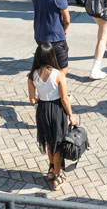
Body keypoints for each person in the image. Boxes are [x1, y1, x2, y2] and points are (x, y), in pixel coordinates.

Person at [28, 42, 78, 191]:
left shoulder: (32, 75)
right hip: (57, 110)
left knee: (49, 142)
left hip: (42, 110)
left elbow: (32, 99)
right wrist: (71, 115)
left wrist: (41, 104)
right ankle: (57, 176)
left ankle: (51, 169)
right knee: (58, 146)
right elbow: (64, 99)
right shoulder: (58, 74)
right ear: (51, 56)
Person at [32, 0, 71, 72]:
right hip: (56, 38)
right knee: (63, 69)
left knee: (46, 65)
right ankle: (57, 87)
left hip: (39, 36)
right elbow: (67, 19)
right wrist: (65, 30)